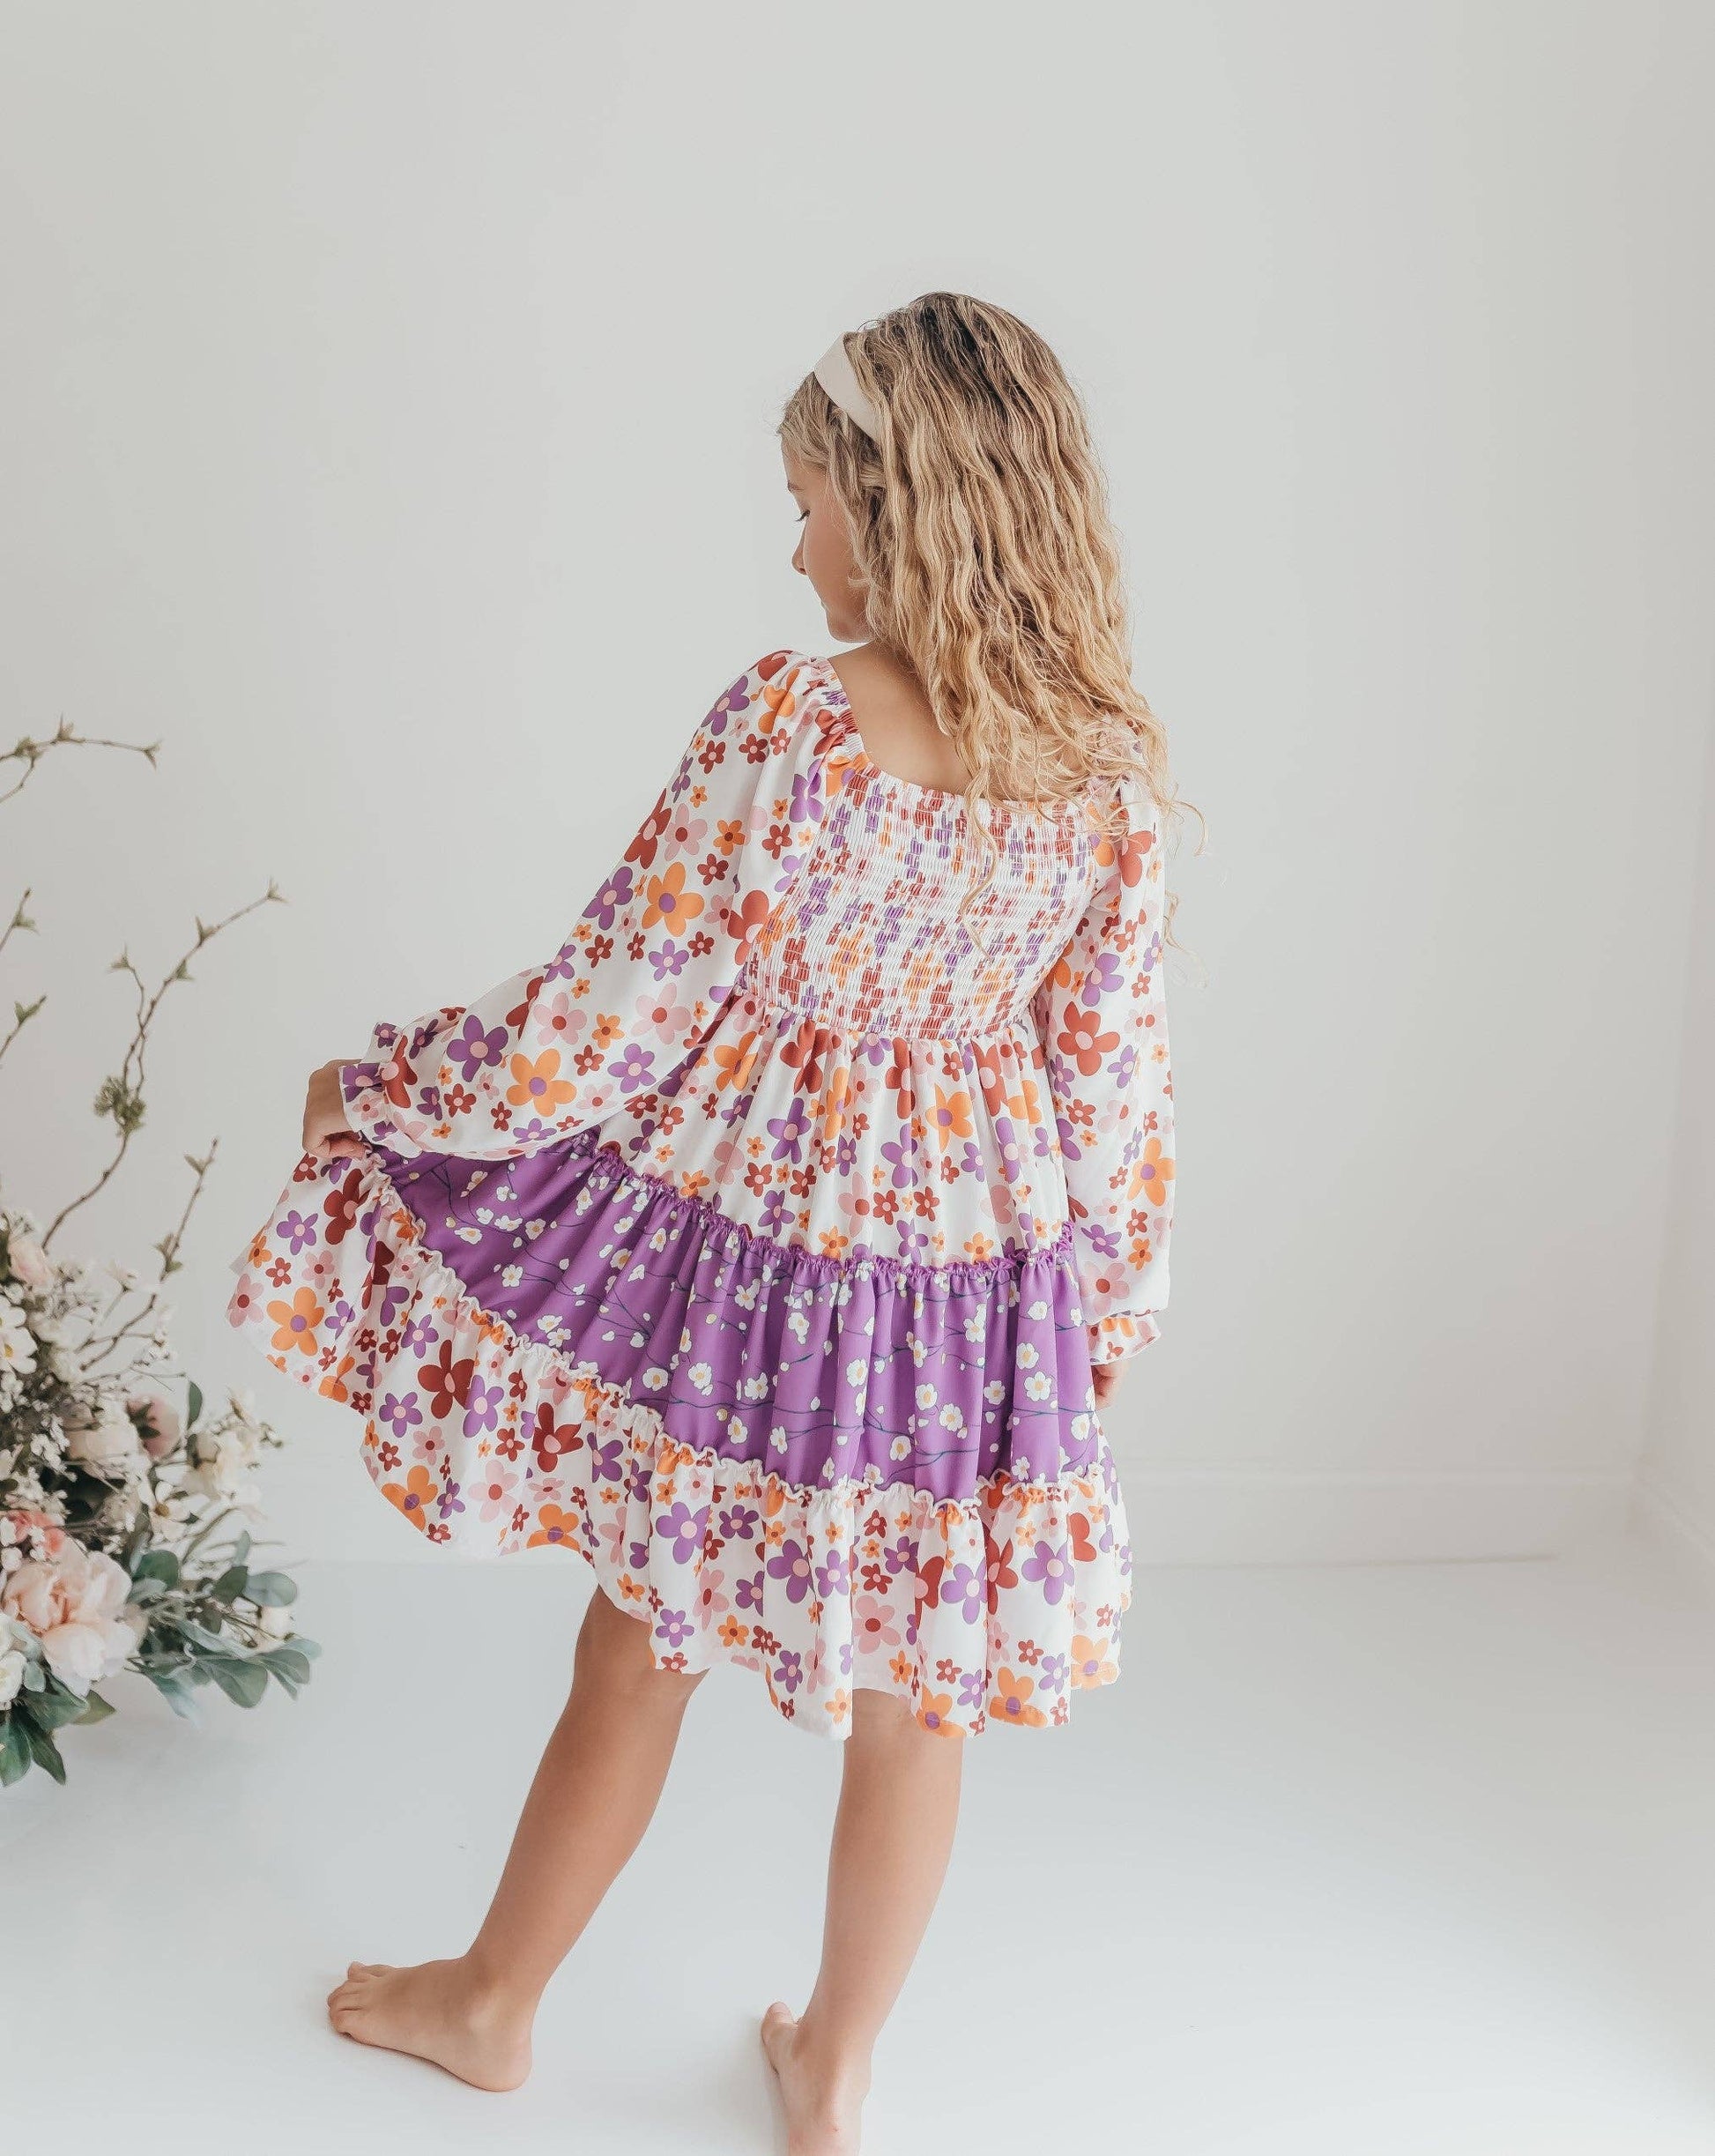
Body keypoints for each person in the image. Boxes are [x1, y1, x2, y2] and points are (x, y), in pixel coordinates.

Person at [229, 290, 1183, 2155]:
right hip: (961, 1289)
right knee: (923, 1691)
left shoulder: (797, 721)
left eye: (813, 496)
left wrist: (400, 1084)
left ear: (898, 501)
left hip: (757, 1260)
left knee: (638, 1638)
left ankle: (495, 2000)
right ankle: (833, 2069)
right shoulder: (1101, 777)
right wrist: (1097, 1322)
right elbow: (1117, 1097)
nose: (796, 541)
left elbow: (616, 1006)